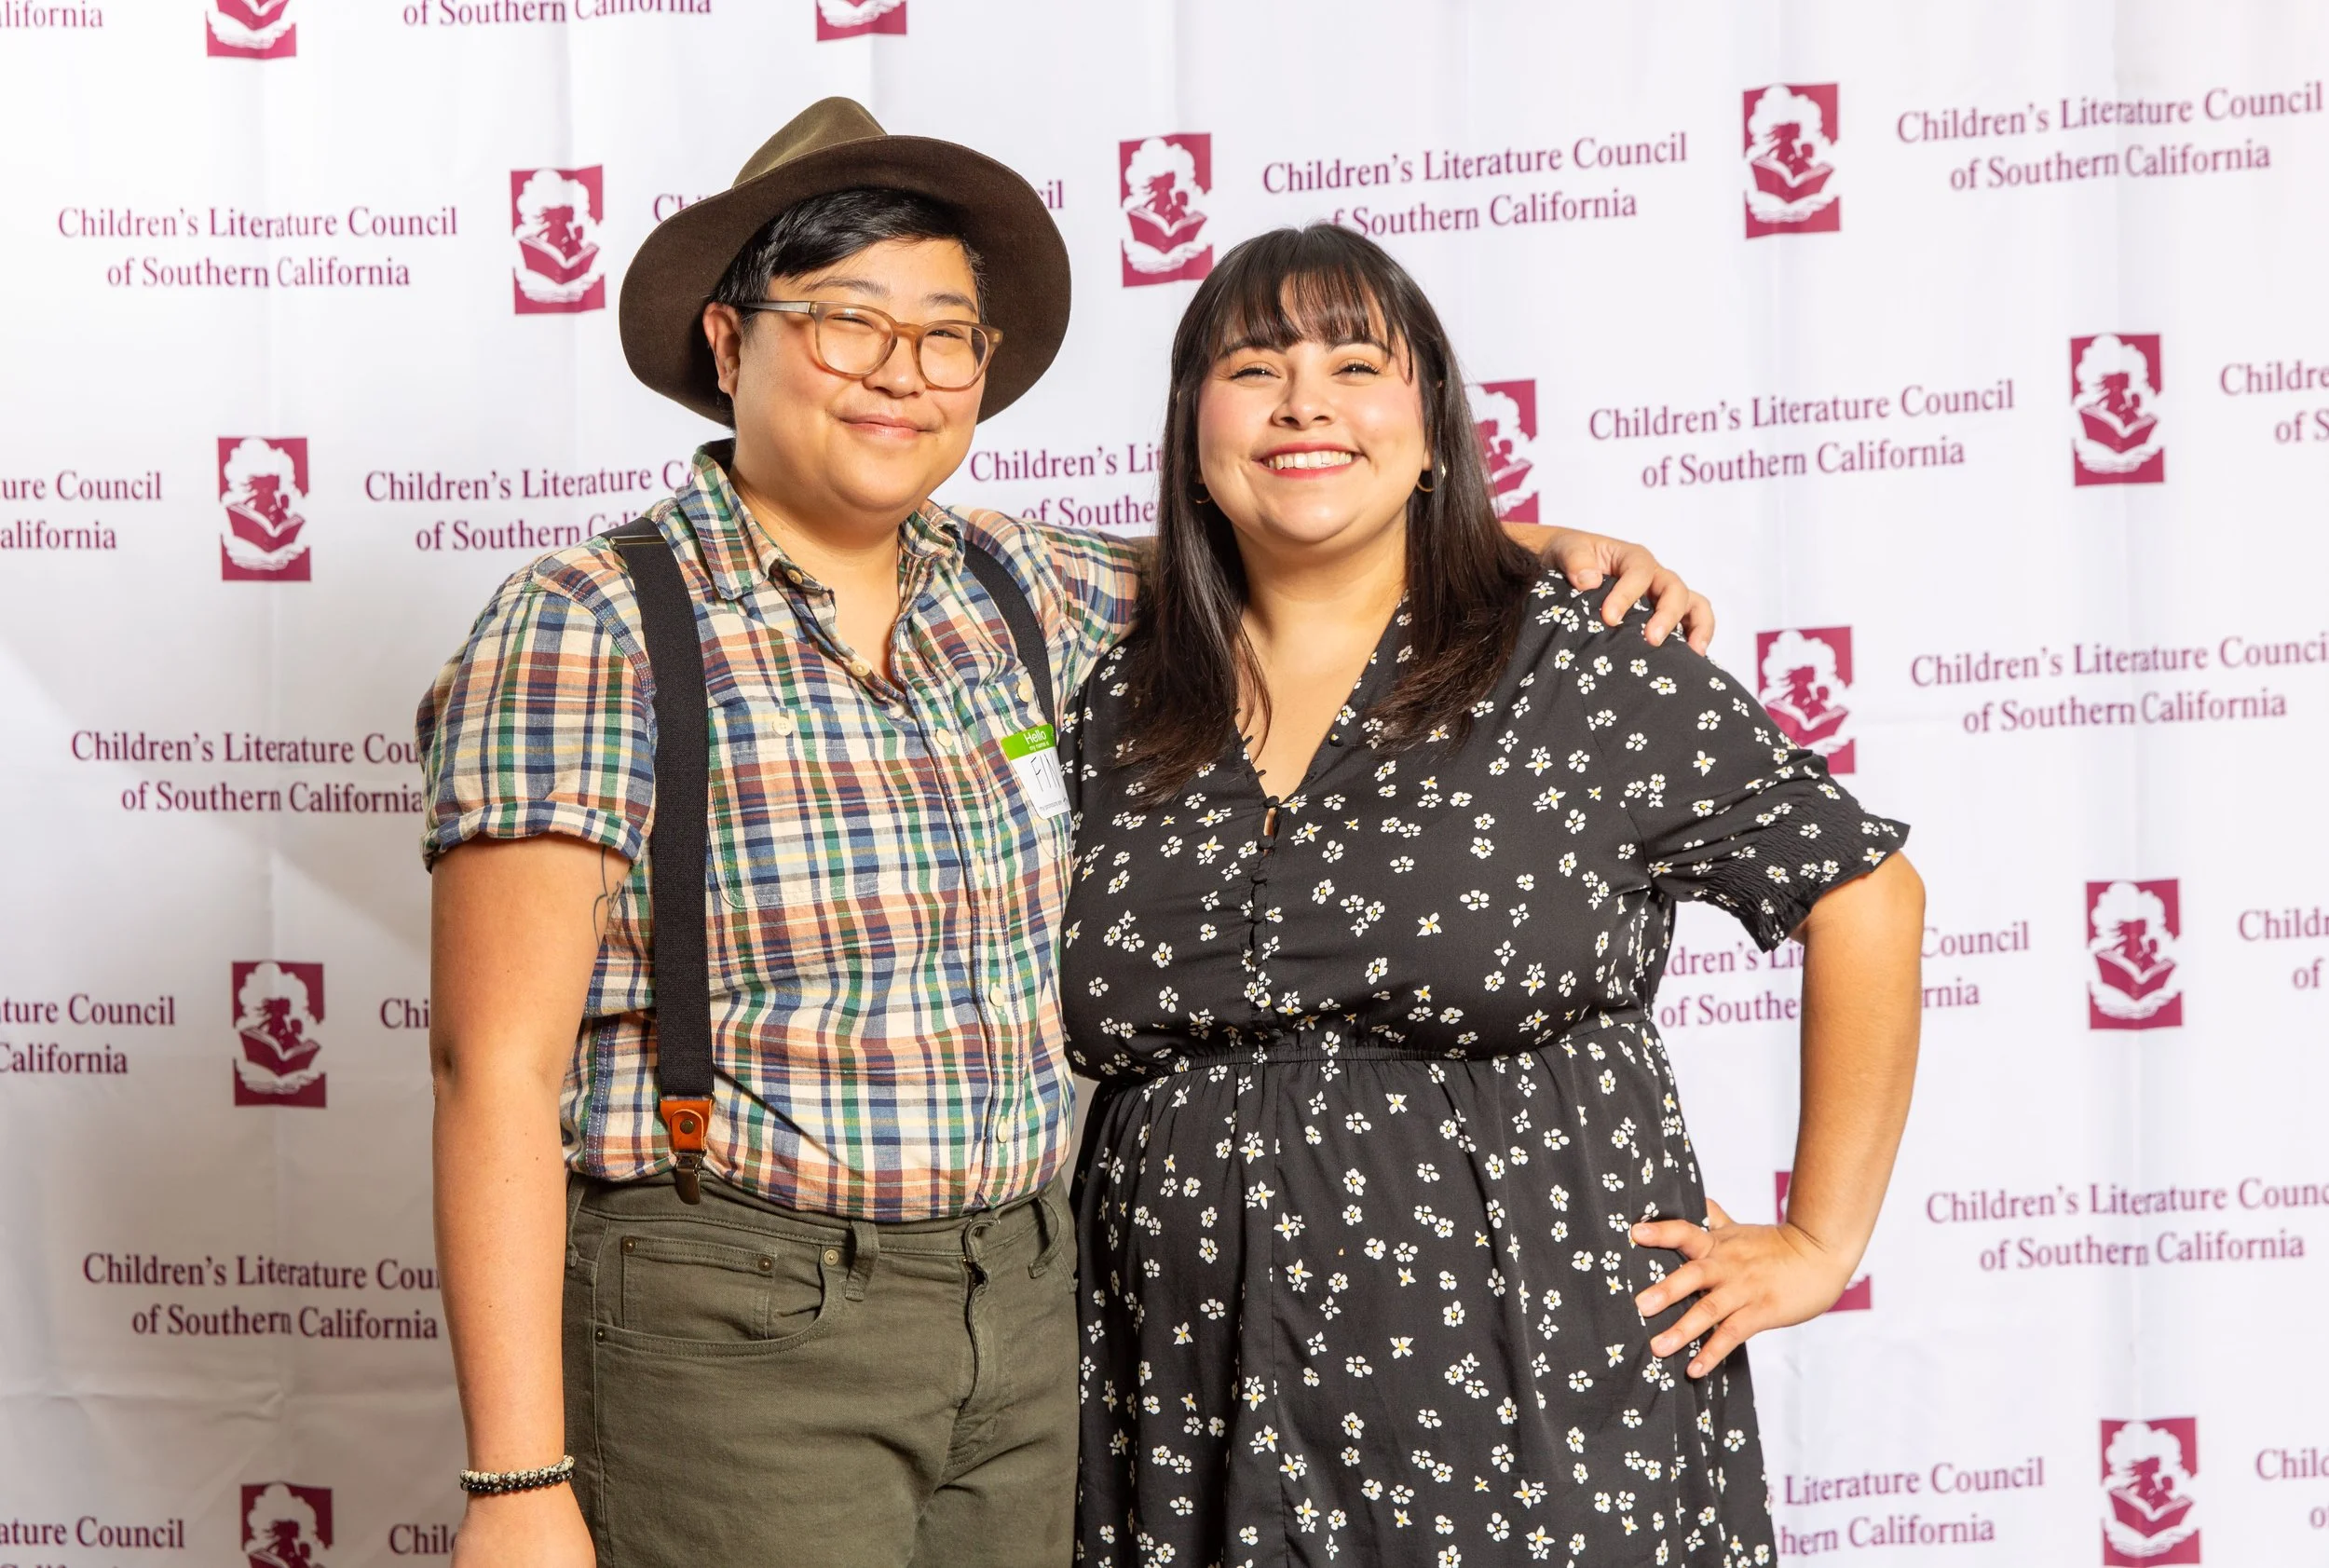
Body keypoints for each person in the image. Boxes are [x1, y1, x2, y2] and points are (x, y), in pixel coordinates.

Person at [419, 99, 1714, 1568]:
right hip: (737, 1308)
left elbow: (1280, 533)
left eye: (944, 335)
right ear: (731, 345)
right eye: (847, 323)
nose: (899, 375)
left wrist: (1510, 539)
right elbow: (494, 1067)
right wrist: (515, 1479)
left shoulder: (1015, 589)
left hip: (1030, 1316)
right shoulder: (592, 626)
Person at [1060, 224, 1924, 1567]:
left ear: (1435, 427)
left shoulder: (1576, 659)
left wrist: (1820, 1239)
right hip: (1182, 1393)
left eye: (1358, 364)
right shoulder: (1103, 681)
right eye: (1254, 367)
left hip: (1533, 1380)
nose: (1305, 401)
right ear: (1190, 426)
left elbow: (1863, 891)